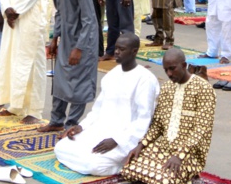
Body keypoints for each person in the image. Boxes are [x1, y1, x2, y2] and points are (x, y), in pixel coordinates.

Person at [55, 33, 160, 176]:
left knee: (95, 165)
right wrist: (81, 126)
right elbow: (97, 111)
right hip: (101, 130)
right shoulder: (112, 75)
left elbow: (143, 120)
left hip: (126, 137)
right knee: (61, 147)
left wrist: (117, 140)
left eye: (121, 49)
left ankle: (124, 166)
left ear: (134, 51)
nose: (116, 52)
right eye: (116, 48)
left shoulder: (145, 79)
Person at [121, 48, 215, 184]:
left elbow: (201, 128)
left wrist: (180, 155)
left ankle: (185, 173)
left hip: (189, 153)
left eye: (173, 69)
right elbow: (158, 123)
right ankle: (171, 174)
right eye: (166, 70)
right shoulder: (166, 88)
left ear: (184, 65)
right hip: (164, 147)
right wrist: (141, 144)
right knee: (128, 169)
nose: (169, 74)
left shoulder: (203, 89)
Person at [41, 0, 99, 133]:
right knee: (60, 79)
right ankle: (56, 120)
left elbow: (89, 20)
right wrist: (55, 37)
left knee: (79, 84)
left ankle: (71, 124)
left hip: (84, 40)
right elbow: (59, 12)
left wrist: (79, 48)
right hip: (66, 38)